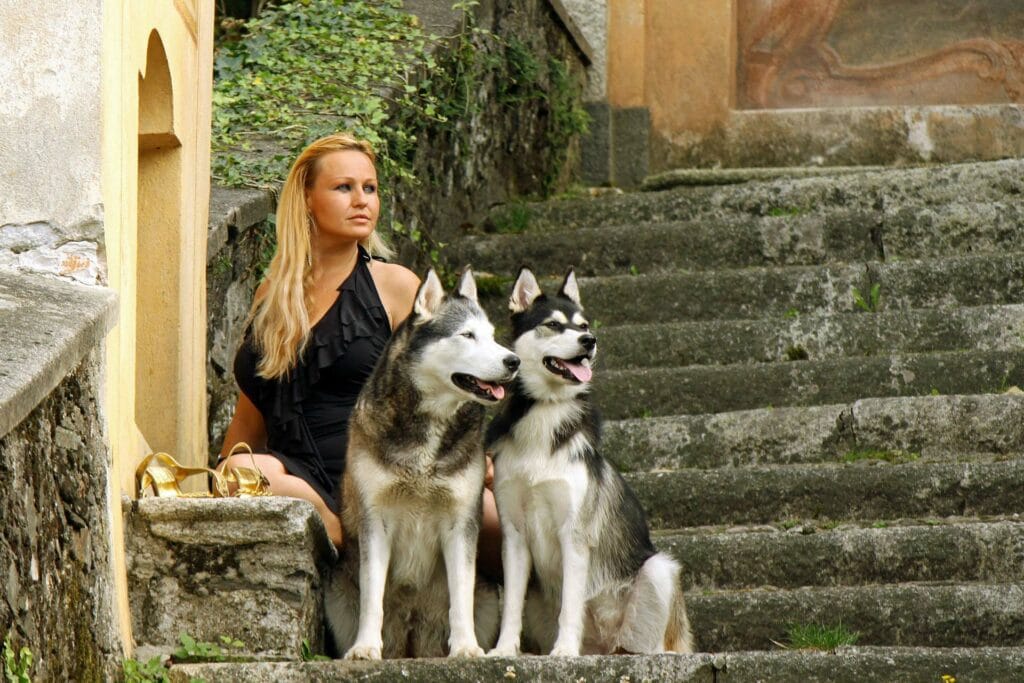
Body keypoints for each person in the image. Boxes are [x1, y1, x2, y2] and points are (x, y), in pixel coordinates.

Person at [218, 133, 502, 577]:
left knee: (499, 520)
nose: (362, 200)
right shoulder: (270, 296)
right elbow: (249, 421)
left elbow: (450, 378)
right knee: (240, 469)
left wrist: (474, 455)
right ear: (307, 199)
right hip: (302, 477)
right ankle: (334, 529)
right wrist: (218, 475)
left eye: (369, 188)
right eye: (343, 187)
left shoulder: (394, 285)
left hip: (389, 470)